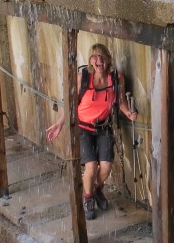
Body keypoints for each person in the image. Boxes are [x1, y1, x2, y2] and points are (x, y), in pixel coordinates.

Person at [46, 43, 137, 219]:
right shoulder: (83, 78)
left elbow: (120, 101)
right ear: (90, 61)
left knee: (106, 166)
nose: (99, 60)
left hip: (103, 127)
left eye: (102, 57)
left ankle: (95, 188)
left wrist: (129, 113)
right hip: (83, 128)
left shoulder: (116, 78)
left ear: (108, 60)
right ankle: (88, 199)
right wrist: (59, 124)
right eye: (95, 57)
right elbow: (71, 103)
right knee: (91, 165)